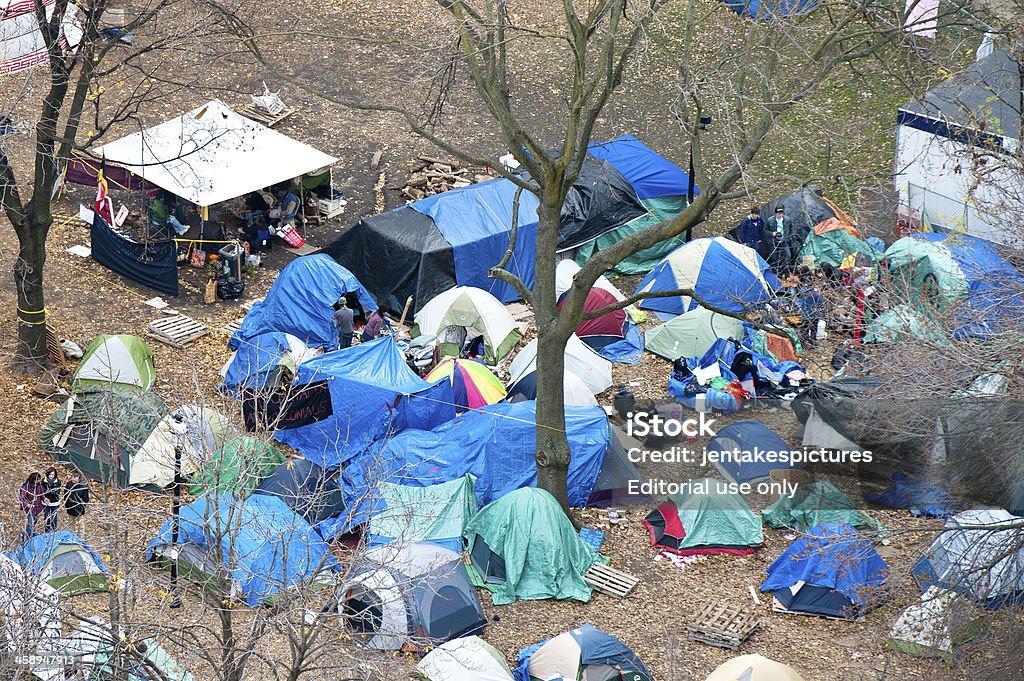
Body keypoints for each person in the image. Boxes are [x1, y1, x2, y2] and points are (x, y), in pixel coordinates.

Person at [768, 206, 793, 275]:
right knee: (774, 258)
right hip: (774, 242)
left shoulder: (787, 220)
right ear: (775, 213)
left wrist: (788, 237)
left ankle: (784, 271)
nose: (780, 215)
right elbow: (765, 231)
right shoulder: (770, 220)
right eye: (778, 213)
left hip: (784, 241)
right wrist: (771, 234)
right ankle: (776, 273)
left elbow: (791, 228)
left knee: (787, 255)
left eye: (781, 213)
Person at [19, 472, 44, 540]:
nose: (39, 481)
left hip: (37, 508)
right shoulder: (25, 486)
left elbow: (41, 494)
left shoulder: (39, 485)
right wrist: (27, 504)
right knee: (30, 523)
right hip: (30, 509)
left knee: (34, 522)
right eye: (38, 479)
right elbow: (22, 498)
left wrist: (45, 499)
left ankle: (32, 534)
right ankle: (25, 538)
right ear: (33, 480)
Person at [41, 467, 61, 533]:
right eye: (50, 474)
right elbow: (42, 491)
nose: (51, 476)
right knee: (46, 517)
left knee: (54, 517)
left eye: (53, 474)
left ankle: (54, 531)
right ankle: (47, 531)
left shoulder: (58, 481)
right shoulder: (44, 480)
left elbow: (57, 492)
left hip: (54, 502)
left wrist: (49, 491)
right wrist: (49, 492)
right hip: (45, 502)